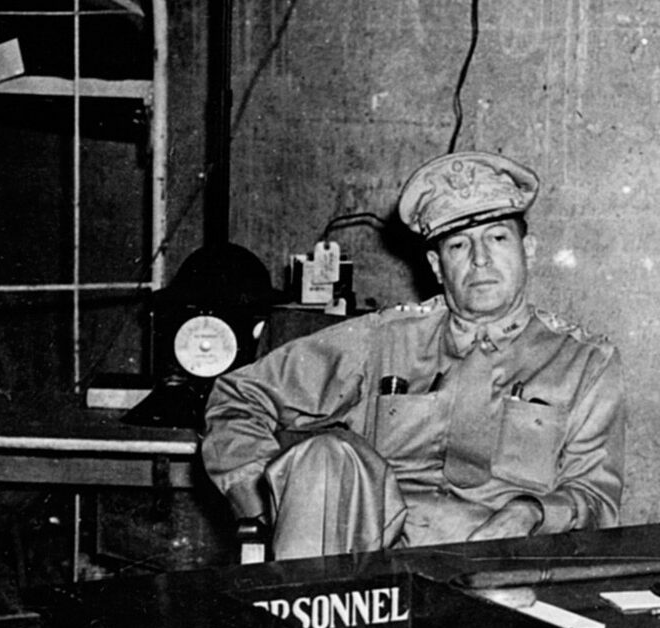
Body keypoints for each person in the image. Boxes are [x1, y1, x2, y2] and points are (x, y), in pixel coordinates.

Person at [202, 151, 625, 558]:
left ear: (527, 250)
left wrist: (531, 512)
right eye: (458, 246)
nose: (480, 260)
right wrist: (263, 498)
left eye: (497, 238)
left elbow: (594, 497)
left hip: (503, 562)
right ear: (437, 267)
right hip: (372, 564)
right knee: (325, 455)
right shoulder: (384, 340)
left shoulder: (584, 362)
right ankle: (311, 621)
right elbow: (238, 396)